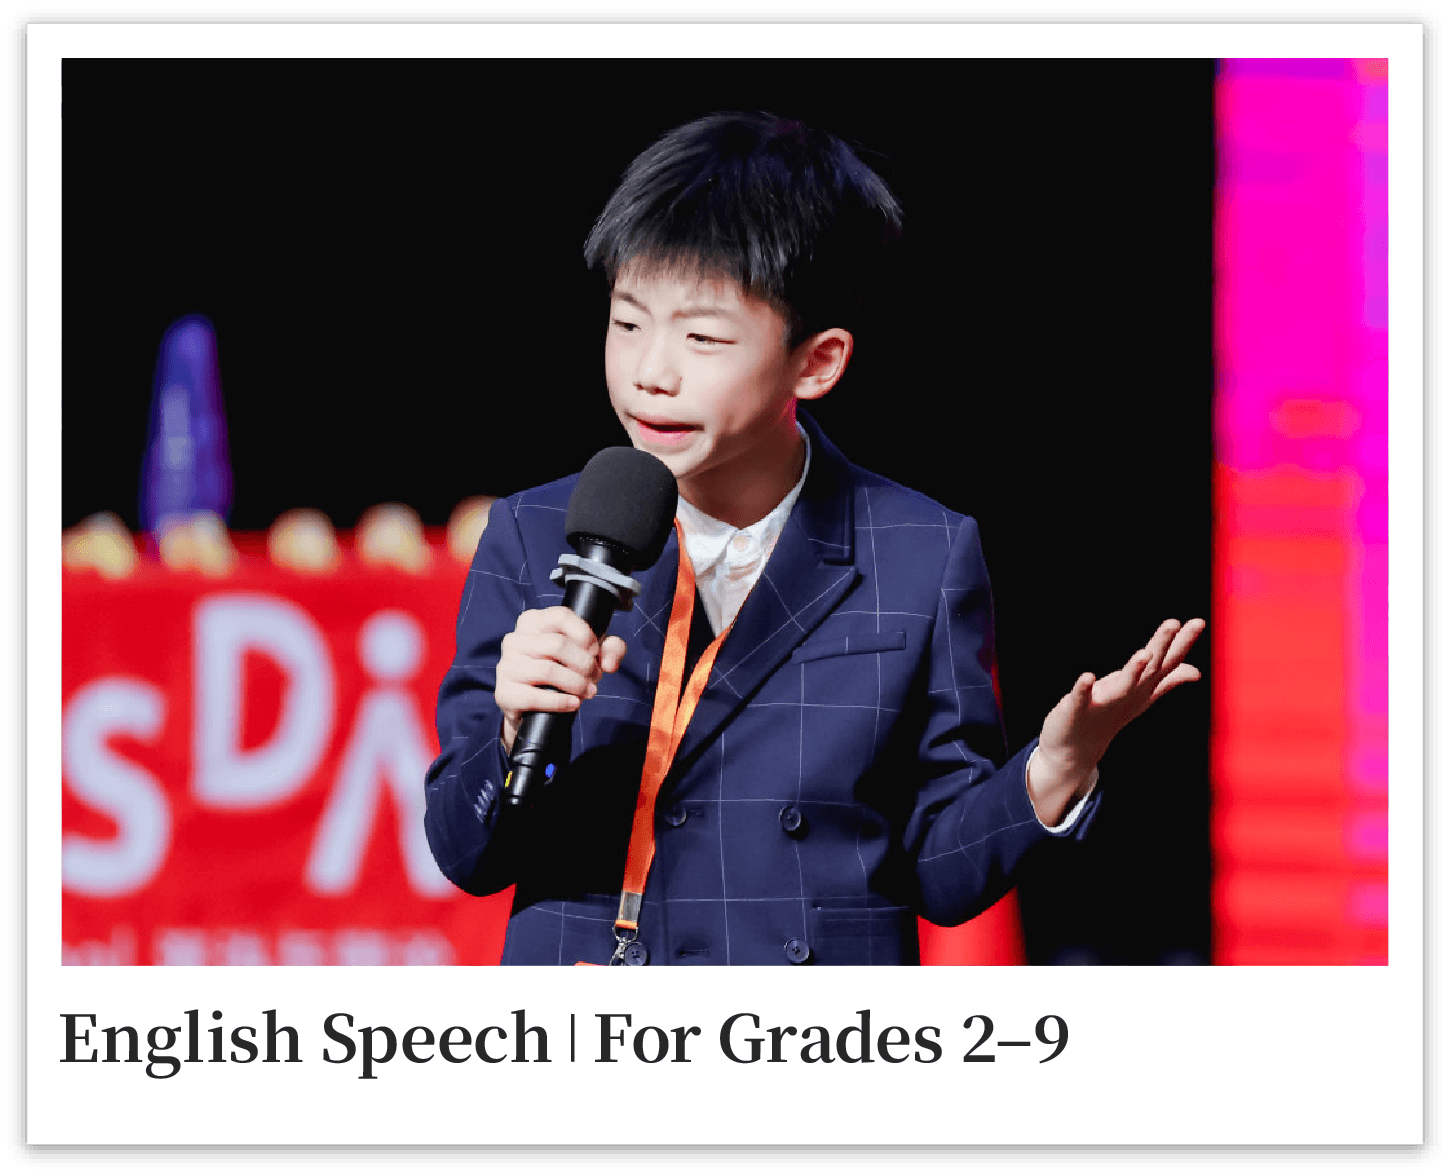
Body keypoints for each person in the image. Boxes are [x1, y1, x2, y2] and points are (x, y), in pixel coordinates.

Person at [424, 112, 1204, 966]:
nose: (650, 372)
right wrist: (513, 735)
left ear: (818, 362)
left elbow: (940, 876)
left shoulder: (919, 553)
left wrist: (1052, 770)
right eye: (628, 323)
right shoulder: (536, 532)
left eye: (702, 337)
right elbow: (466, 855)